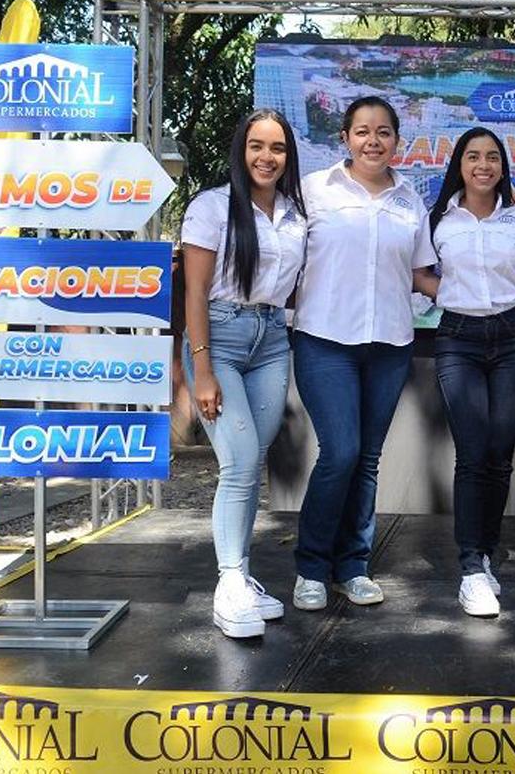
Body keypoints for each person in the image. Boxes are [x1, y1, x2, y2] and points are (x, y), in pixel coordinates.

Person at [291, 96, 437, 612]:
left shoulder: (409, 200)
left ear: (398, 140)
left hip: (390, 345)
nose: (372, 141)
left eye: (383, 132)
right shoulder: (313, 191)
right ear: (345, 139)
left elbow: (422, 274)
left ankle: (353, 565)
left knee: (368, 461)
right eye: (362, 132)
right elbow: (283, 255)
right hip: (324, 340)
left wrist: (485, 289)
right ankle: (311, 566)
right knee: (342, 452)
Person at [182, 108, 307, 639]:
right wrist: (203, 369)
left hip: (273, 339)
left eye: (277, 148)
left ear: (288, 156)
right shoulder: (212, 207)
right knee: (239, 461)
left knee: (252, 460)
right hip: (220, 337)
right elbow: (194, 293)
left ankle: (243, 576)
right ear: (241, 150)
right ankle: (228, 581)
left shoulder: (296, 215)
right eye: (257, 146)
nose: (266, 157)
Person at [426, 127, 515, 617]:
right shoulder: (438, 218)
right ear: (459, 164)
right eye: (474, 156)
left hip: (513, 338)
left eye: (493, 158)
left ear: (503, 167)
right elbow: (419, 272)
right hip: (458, 339)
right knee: (473, 451)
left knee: (500, 455)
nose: (483, 165)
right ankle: (470, 567)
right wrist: (452, 294)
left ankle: (487, 554)